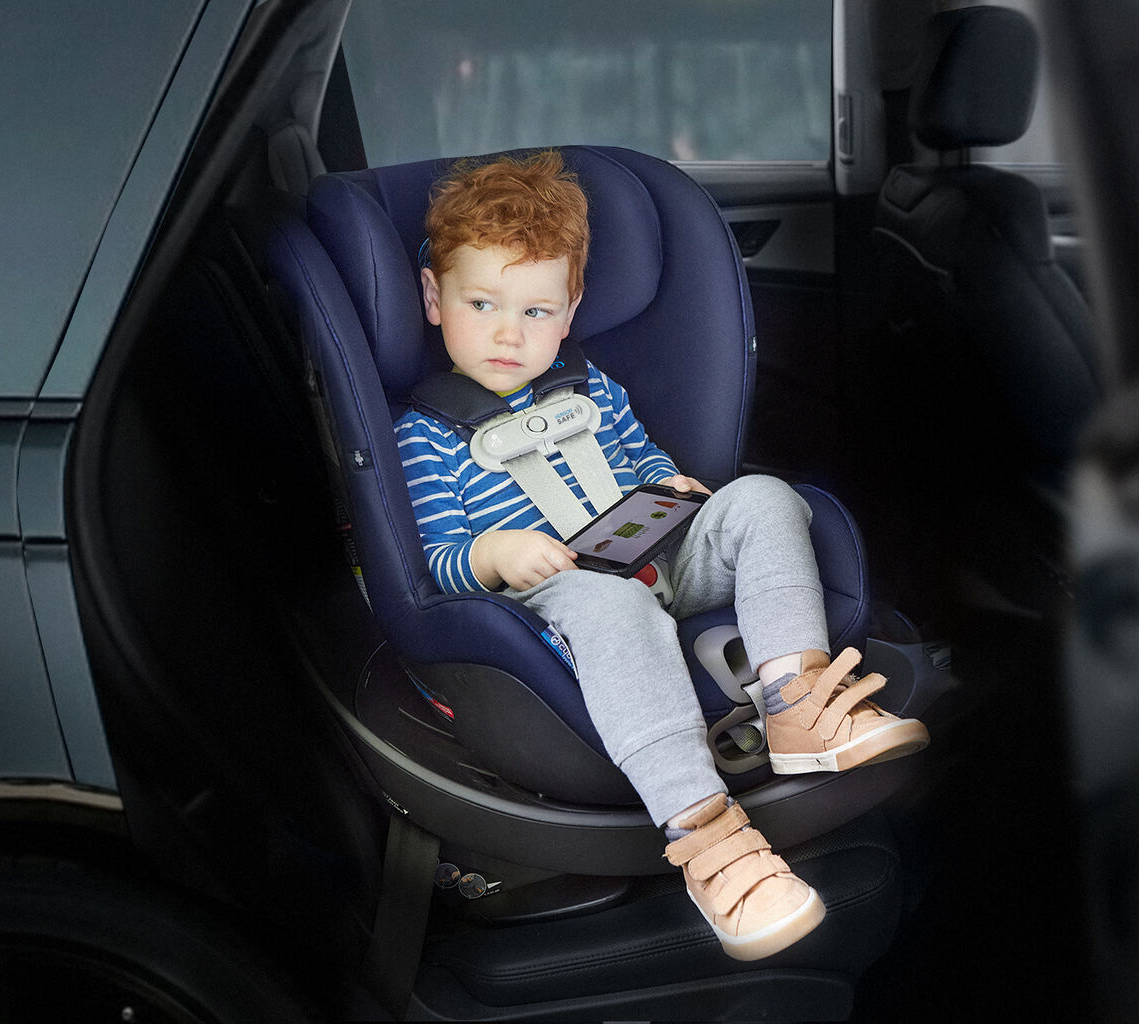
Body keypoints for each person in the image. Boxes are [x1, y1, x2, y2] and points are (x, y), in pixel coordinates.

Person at [392, 150, 929, 961]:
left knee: (765, 496)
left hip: (655, 553)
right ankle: (706, 835)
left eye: (536, 310)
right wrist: (496, 554)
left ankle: (796, 697)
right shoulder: (425, 436)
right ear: (434, 299)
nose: (509, 333)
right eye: (481, 304)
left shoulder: (591, 387)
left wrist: (667, 484)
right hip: (559, 601)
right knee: (609, 602)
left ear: (570, 312)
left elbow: (639, 456)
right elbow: (435, 560)